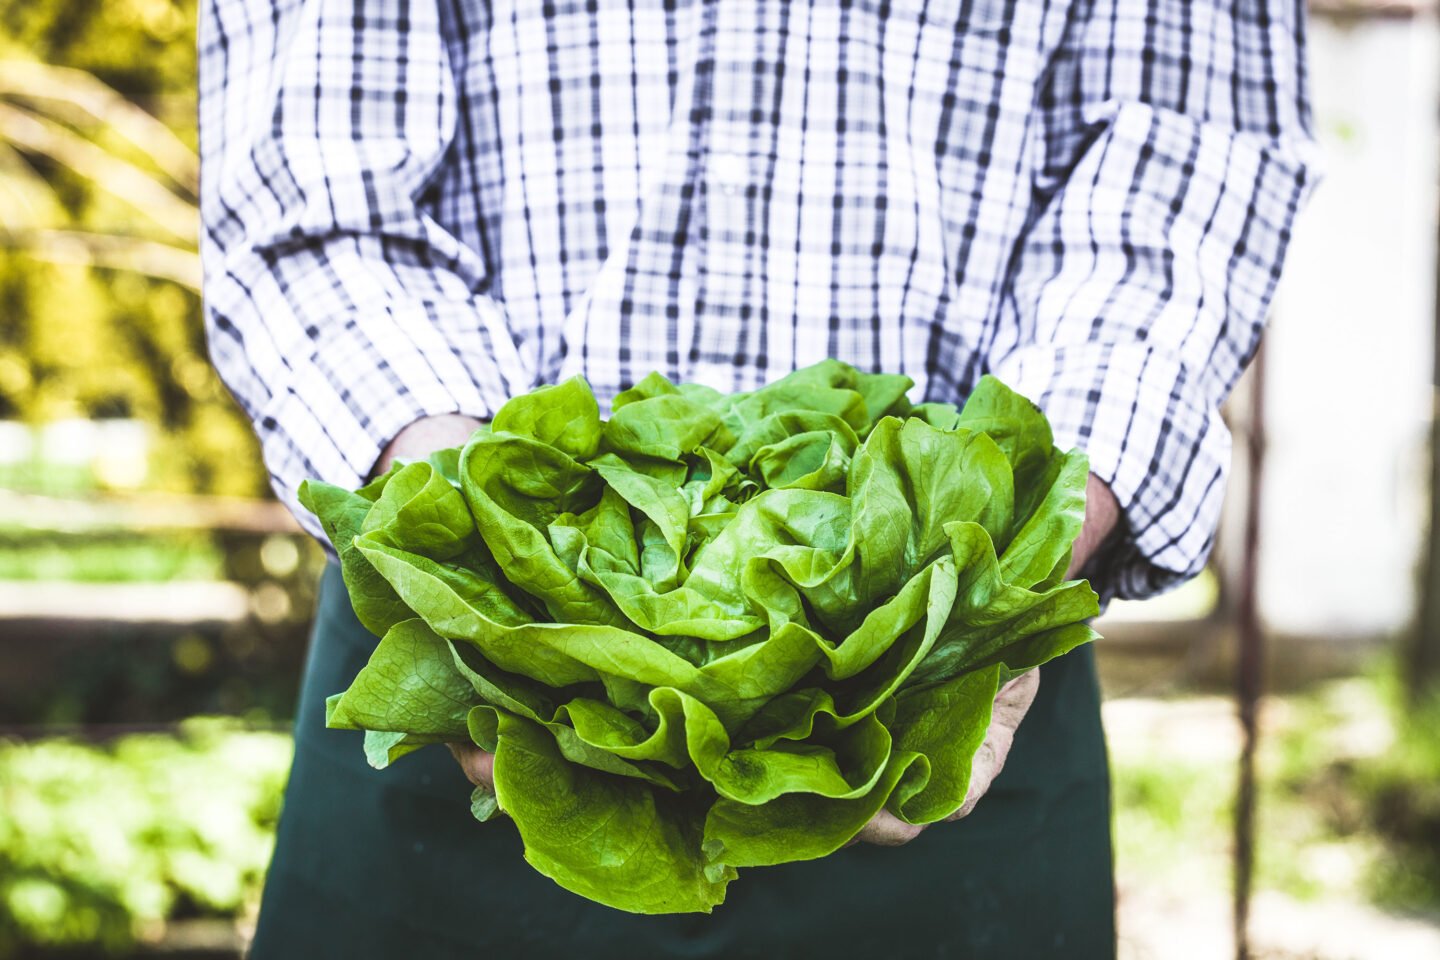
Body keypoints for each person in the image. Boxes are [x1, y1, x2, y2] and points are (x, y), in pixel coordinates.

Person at [198, 0, 1316, 955]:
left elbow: (1187, 161)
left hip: (964, 678)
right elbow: (310, 182)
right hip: (470, 670)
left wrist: (1018, 545)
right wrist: (485, 570)